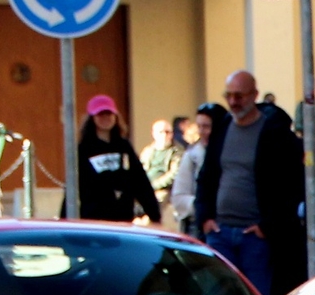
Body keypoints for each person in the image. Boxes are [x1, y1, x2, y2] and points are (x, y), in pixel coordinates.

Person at [196, 69, 315, 295]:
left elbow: (290, 186)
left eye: (239, 96)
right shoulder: (224, 126)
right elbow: (207, 175)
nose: (233, 102)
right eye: (228, 95)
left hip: (255, 237)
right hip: (220, 232)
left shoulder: (273, 133)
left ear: (254, 95)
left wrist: (268, 227)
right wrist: (205, 218)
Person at [72, 95, 157, 223]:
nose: (106, 118)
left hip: (123, 216)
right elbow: (73, 185)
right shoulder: (84, 149)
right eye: (100, 114)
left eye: (109, 113)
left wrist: (154, 214)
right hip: (94, 219)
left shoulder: (124, 146)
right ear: (92, 118)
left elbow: (139, 180)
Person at [168, 104, 221, 239]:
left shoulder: (230, 154)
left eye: (207, 126)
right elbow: (179, 197)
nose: (202, 131)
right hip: (199, 226)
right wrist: (204, 207)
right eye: (200, 126)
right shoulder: (192, 156)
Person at [140, 118, 181, 199]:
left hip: (165, 190)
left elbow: (174, 175)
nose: (164, 135)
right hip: (146, 187)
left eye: (167, 132)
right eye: (160, 132)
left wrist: (154, 186)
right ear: (154, 134)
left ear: (172, 134)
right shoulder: (147, 151)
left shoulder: (177, 152)